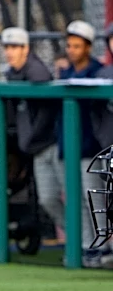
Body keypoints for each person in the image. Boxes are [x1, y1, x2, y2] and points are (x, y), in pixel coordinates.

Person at [1, 27, 63, 239]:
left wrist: (31, 139)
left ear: (25, 49)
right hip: (36, 149)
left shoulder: (37, 72)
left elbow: (46, 114)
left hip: (55, 144)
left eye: (15, 47)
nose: (10, 52)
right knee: (48, 199)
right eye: (7, 47)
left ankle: (92, 246)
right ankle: (80, 240)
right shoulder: (11, 75)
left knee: (77, 198)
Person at [56, 20, 106, 266]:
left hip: (90, 146)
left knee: (93, 200)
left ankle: (101, 249)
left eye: (77, 46)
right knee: (73, 199)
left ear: (88, 47)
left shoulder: (98, 71)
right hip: (69, 147)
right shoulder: (65, 73)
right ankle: (86, 247)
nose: (72, 50)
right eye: (69, 45)